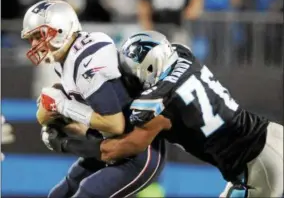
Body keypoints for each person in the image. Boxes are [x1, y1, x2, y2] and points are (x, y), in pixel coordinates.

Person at [100, 31, 284, 197]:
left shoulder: (160, 105)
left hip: (258, 161)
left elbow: (125, 147)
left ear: (148, 68)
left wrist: (95, 137)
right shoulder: (183, 55)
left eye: (131, 75)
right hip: (271, 135)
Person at [21, 0, 169, 198]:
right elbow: (88, 122)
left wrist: (62, 106)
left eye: (39, 35)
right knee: (60, 194)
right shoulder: (66, 60)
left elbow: (114, 123)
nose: (35, 44)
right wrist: (59, 121)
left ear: (60, 29)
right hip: (112, 141)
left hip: (138, 150)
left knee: (88, 193)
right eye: (32, 38)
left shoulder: (87, 61)